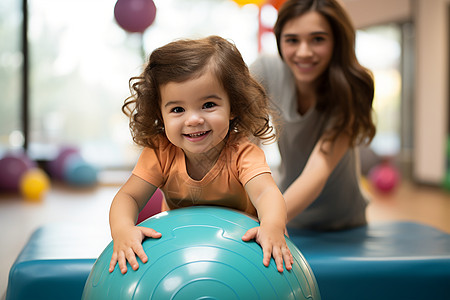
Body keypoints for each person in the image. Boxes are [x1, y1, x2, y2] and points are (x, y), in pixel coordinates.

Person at [108, 35, 293, 275]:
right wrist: (122, 230)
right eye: (177, 109)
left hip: (242, 254)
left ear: (233, 106)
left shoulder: (242, 152)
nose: (194, 119)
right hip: (182, 252)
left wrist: (272, 226)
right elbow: (128, 197)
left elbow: (267, 193)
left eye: (208, 105)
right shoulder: (160, 151)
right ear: (159, 114)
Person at [250, 0, 376, 231]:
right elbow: (244, 146)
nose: (304, 52)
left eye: (318, 39)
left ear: (336, 41)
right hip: (289, 214)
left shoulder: (351, 88)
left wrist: (271, 218)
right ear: (279, 40)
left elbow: (319, 169)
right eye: (292, 40)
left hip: (343, 222)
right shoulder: (265, 70)